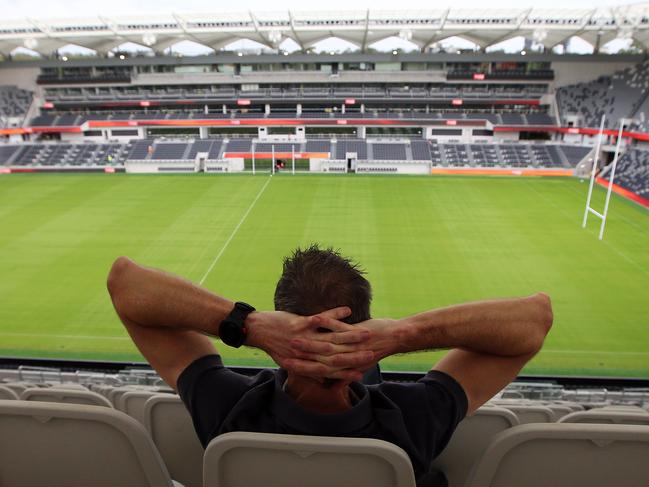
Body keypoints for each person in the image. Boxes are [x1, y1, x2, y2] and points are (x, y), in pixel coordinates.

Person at [107, 245, 552, 484]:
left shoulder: (230, 409)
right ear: (366, 324)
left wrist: (249, 325)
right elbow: (535, 319)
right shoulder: (414, 418)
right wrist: (403, 334)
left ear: (282, 329)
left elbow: (125, 282)